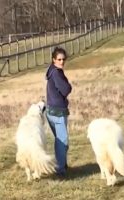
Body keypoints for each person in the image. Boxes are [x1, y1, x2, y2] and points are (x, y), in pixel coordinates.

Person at [45, 47, 72, 176]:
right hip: (58, 112)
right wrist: (68, 85)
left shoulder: (51, 70)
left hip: (50, 110)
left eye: (63, 59)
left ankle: (61, 164)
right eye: (59, 59)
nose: (62, 62)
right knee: (63, 141)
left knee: (59, 140)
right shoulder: (56, 73)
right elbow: (66, 89)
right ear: (54, 60)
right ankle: (60, 169)